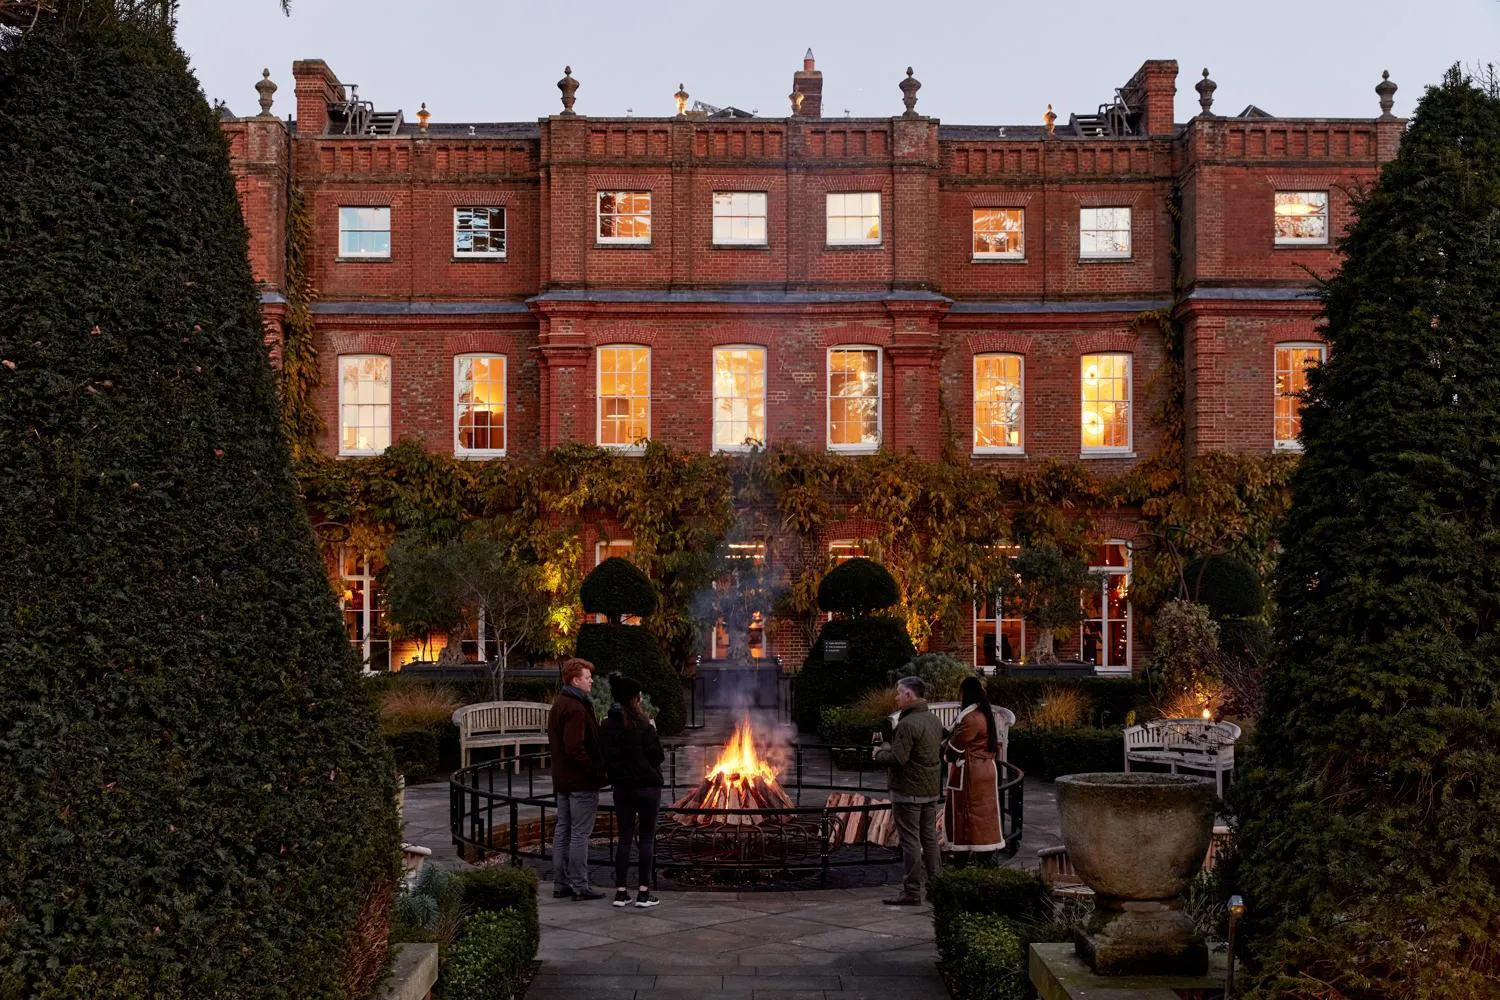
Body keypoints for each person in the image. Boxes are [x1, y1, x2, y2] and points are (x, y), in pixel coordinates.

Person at [873, 675, 944, 906]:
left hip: (909, 790)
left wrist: (878, 753)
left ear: (909, 695)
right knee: (930, 839)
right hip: (930, 789)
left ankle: (912, 891)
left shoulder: (907, 724)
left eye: (898, 693)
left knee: (910, 841)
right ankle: (936, 887)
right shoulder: (933, 720)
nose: (895, 697)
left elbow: (899, 758)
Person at [598, 673, 664, 909]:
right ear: (634, 699)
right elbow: (658, 756)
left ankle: (621, 892)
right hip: (647, 788)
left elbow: (604, 757)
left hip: (622, 789)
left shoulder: (606, 724)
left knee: (624, 839)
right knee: (646, 839)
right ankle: (644, 893)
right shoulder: (644, 724)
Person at [548, 657, 607, 901]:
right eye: (587, 677)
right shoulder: (575, 708)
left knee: (563, 830)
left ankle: (560, 883)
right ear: (575, 680)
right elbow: (575, 748)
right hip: (580, 782)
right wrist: (595, 770)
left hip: (562, 780)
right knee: (579, 833)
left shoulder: (560, 703)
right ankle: (580, 885)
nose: (591, 680)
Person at [944, 676, 1005, 864]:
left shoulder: (970, 718)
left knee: (965, 812)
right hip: (986, 768)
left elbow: (955, 746)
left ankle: (962, 855)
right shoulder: (984, 715)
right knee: (985, 813)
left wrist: (946, 752)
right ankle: (985, 854)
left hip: (970, 771)